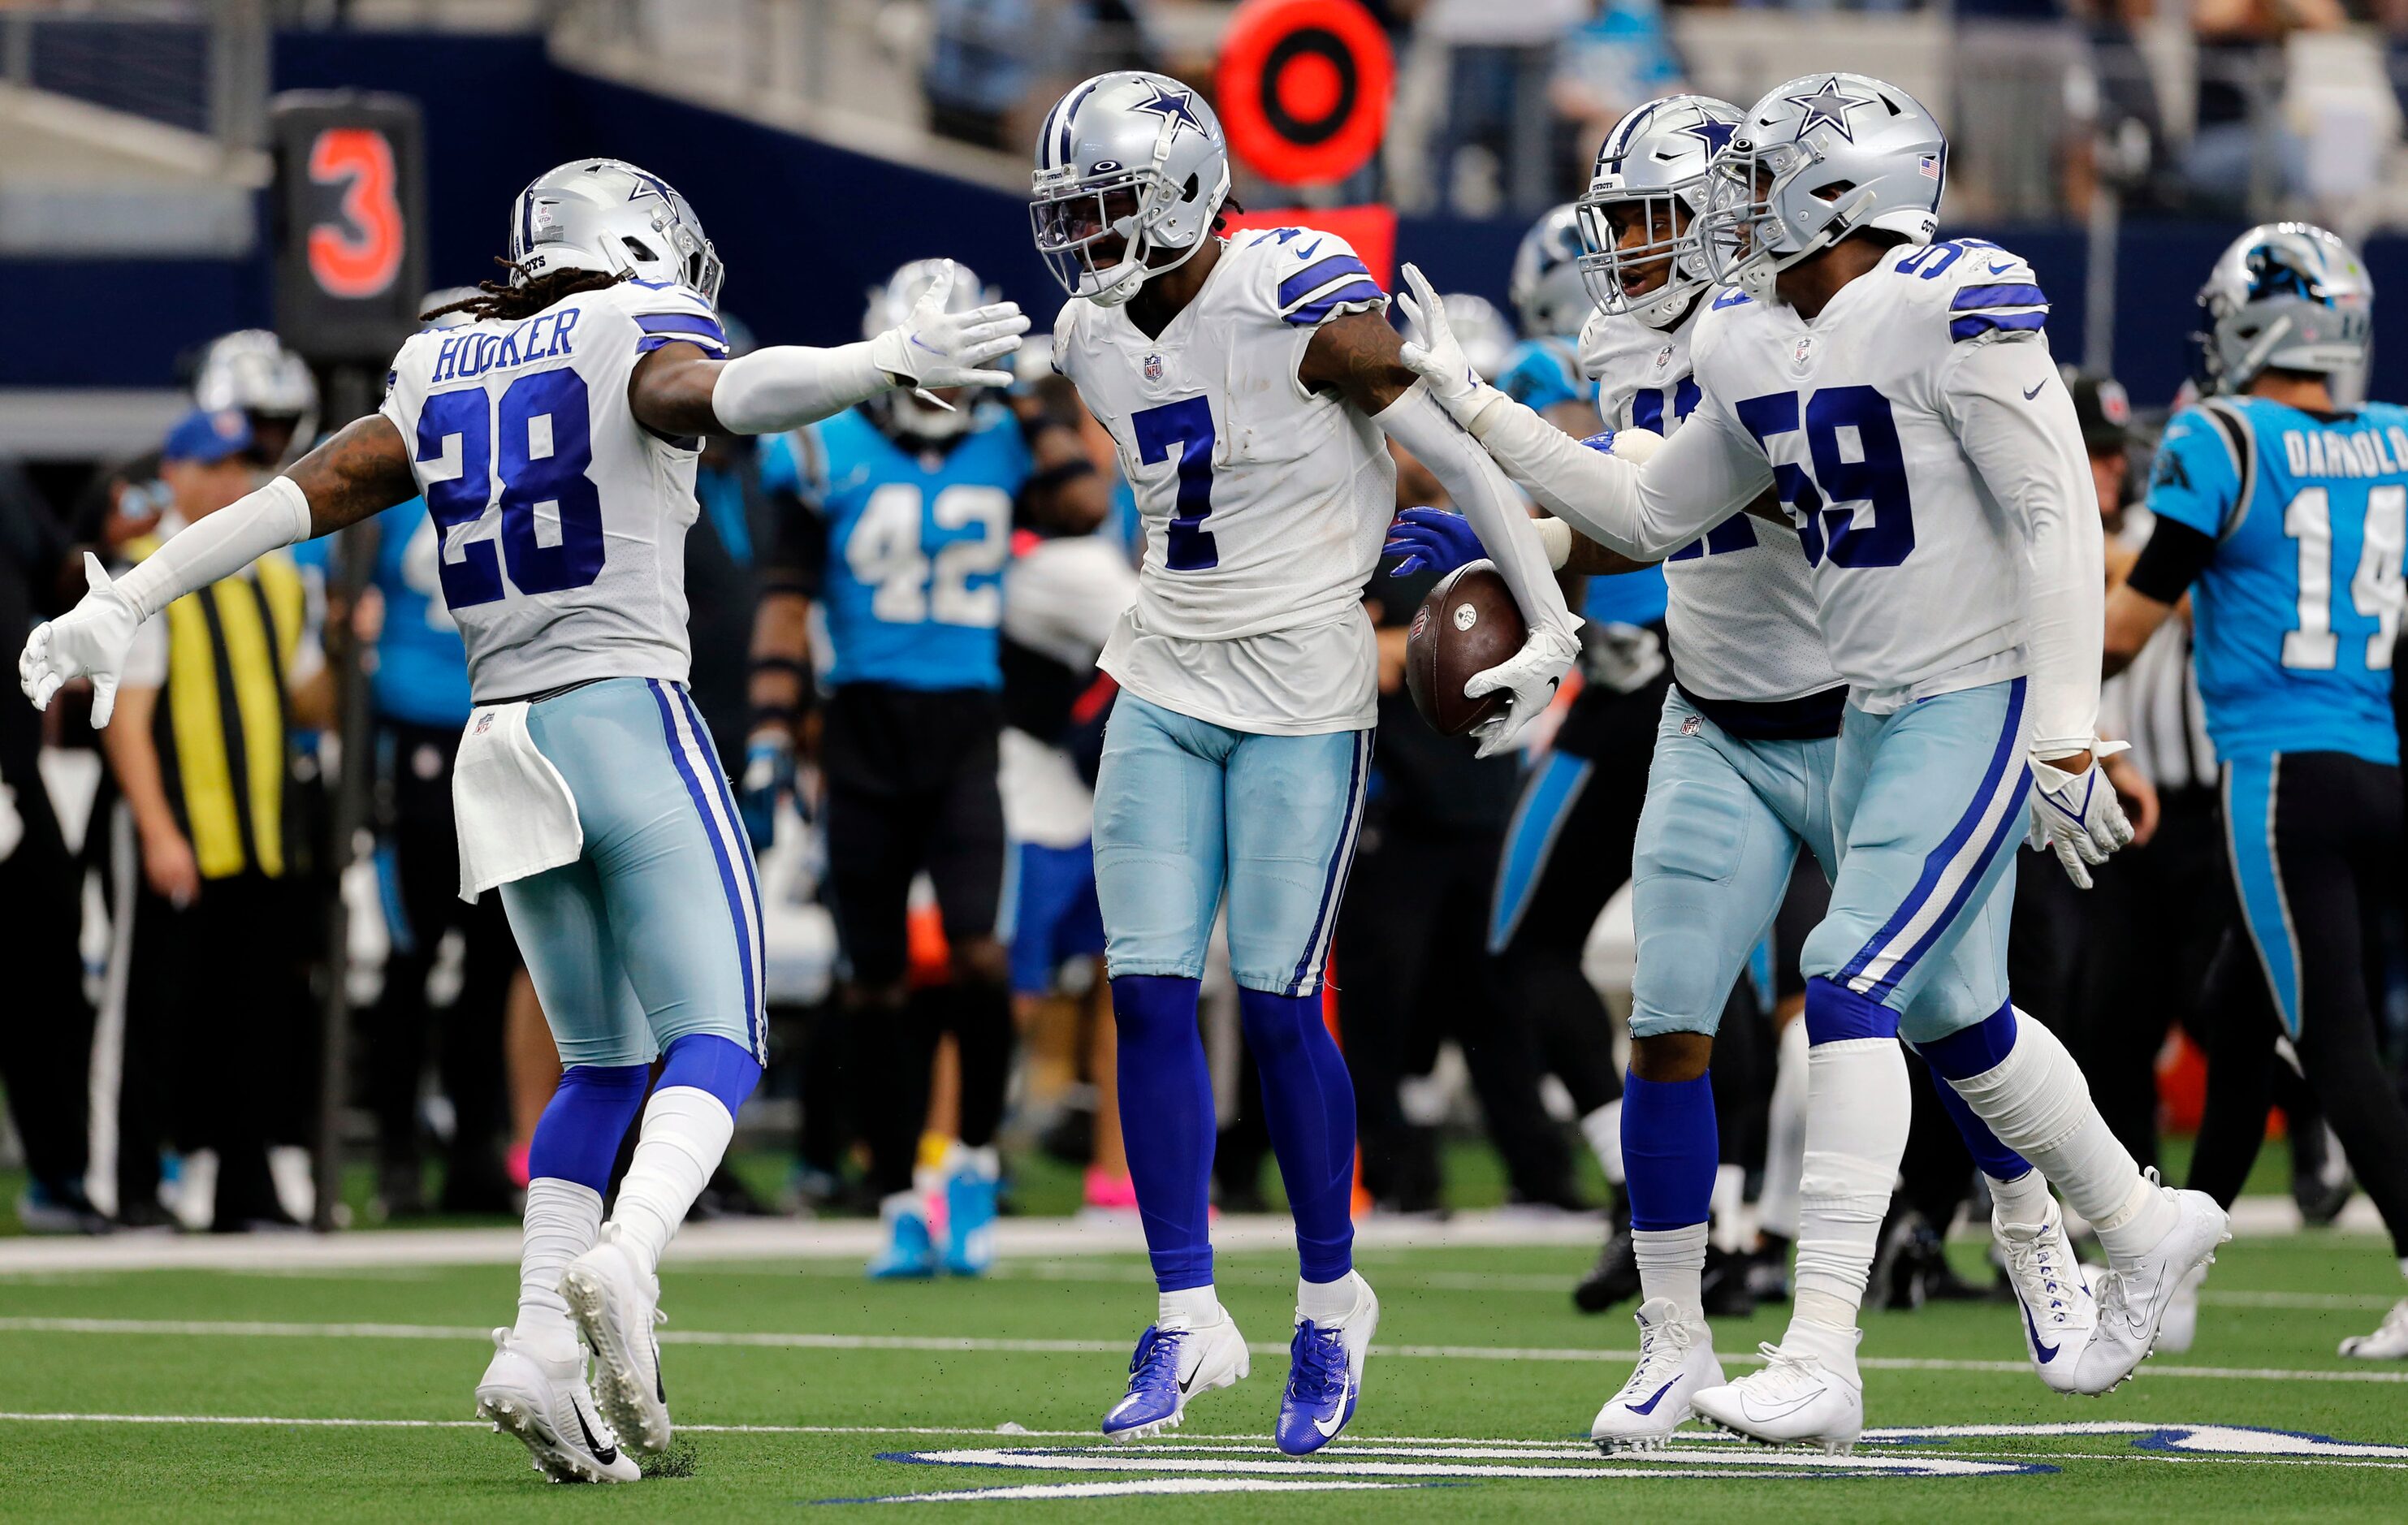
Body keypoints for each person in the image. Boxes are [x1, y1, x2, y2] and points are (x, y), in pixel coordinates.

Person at [21, 156, 1029, 1484]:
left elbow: (301, 496)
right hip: (621, 709)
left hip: (497, 741)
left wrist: (129, 600)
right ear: (633, 242)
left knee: (600, 1061)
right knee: (719, 1037)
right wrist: (875, 360)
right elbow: (714, 392)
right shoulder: (631, 322)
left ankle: (539, 1344)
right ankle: (630, 1253)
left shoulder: (442, 356)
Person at [1395, 73, 2229, 1447]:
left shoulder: (1953, 297)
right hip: (1856, 711)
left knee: (1846, 979)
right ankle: (2145, 1219)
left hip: (1965, 694)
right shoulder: (1753, 333)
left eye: (1753, 180)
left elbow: (2055, 520)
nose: (1726, 211)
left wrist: (2069, 722)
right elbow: (1652, 507)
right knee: (1958, 1019)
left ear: (1839, 192)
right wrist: (1475, 411)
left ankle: (1827, 1348)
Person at [1029, 69, 1580, 1454]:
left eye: (1108, 208)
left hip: (1299, 690)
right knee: (1147, 992)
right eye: (1072, 213)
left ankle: (1332, 1301)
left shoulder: (1289, 285)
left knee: (1280, 1005)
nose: (1087, 241)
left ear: (1185, 192)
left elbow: (1436, 432)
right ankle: (1184, 1309)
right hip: (1161, 672)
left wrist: (1549, 612)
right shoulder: (1088, 334)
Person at [746, 261, 1105, 1279]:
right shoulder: (825, 446)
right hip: (859, 730)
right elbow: (784, 597)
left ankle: (977, 1162)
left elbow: (1080, 503)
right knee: (870, 984)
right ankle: (900, 1191)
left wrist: (1030, 387)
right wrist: (773, 730)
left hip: (962, 732)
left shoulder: (1003, 440)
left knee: (980, 955)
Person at [2102, 222, 2408, 1362]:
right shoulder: (2396, 440)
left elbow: (2130, 625)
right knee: (2242, 1017)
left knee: (2330, 1037)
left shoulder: (2221, 431)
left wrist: (2020, 662)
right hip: (2376, 763)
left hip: (2277, 775)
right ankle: (2173, 1266)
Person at [96, 408, 326, 1233]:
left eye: (245, 466)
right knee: (154, 1015)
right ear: (180, 475)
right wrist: (157, 829)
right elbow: (128, 719)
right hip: (183, 827)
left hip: (262, 831)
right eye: (218, 466)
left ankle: (244, 1185)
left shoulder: (277, 572)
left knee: (254, 1015)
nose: (235, 481)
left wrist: (343, 647)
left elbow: (309, 700)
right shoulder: (144, 571)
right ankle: (122, 1183)